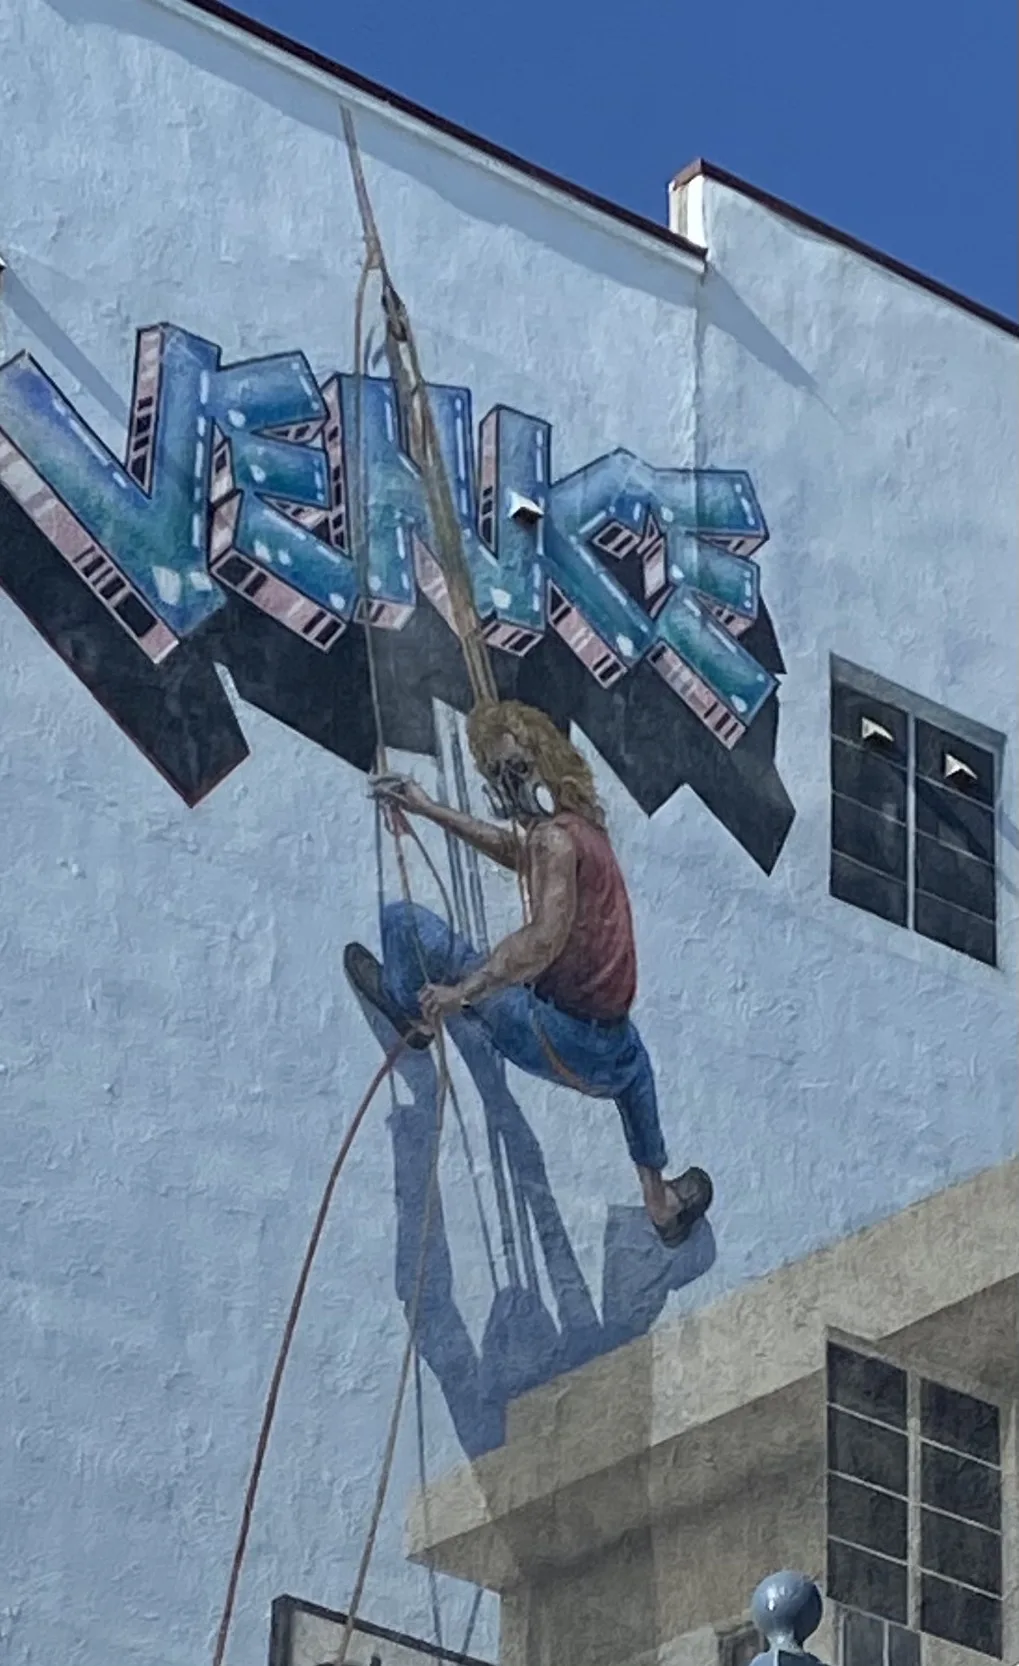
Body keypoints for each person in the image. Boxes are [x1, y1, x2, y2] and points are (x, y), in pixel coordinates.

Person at [343, 699, 712, 1247]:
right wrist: (431, 810)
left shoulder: (555, 839)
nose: (506, 784)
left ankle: (408, 1015)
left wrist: (459, 994)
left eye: (515, 769)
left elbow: (539, 942)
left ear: (545, 762)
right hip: (607, 1049)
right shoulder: (579, 832)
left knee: (404, 924)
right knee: (636, 1073)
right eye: (497, 774)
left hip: (545, 1032)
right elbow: (521, 851)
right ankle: (660, 1202)